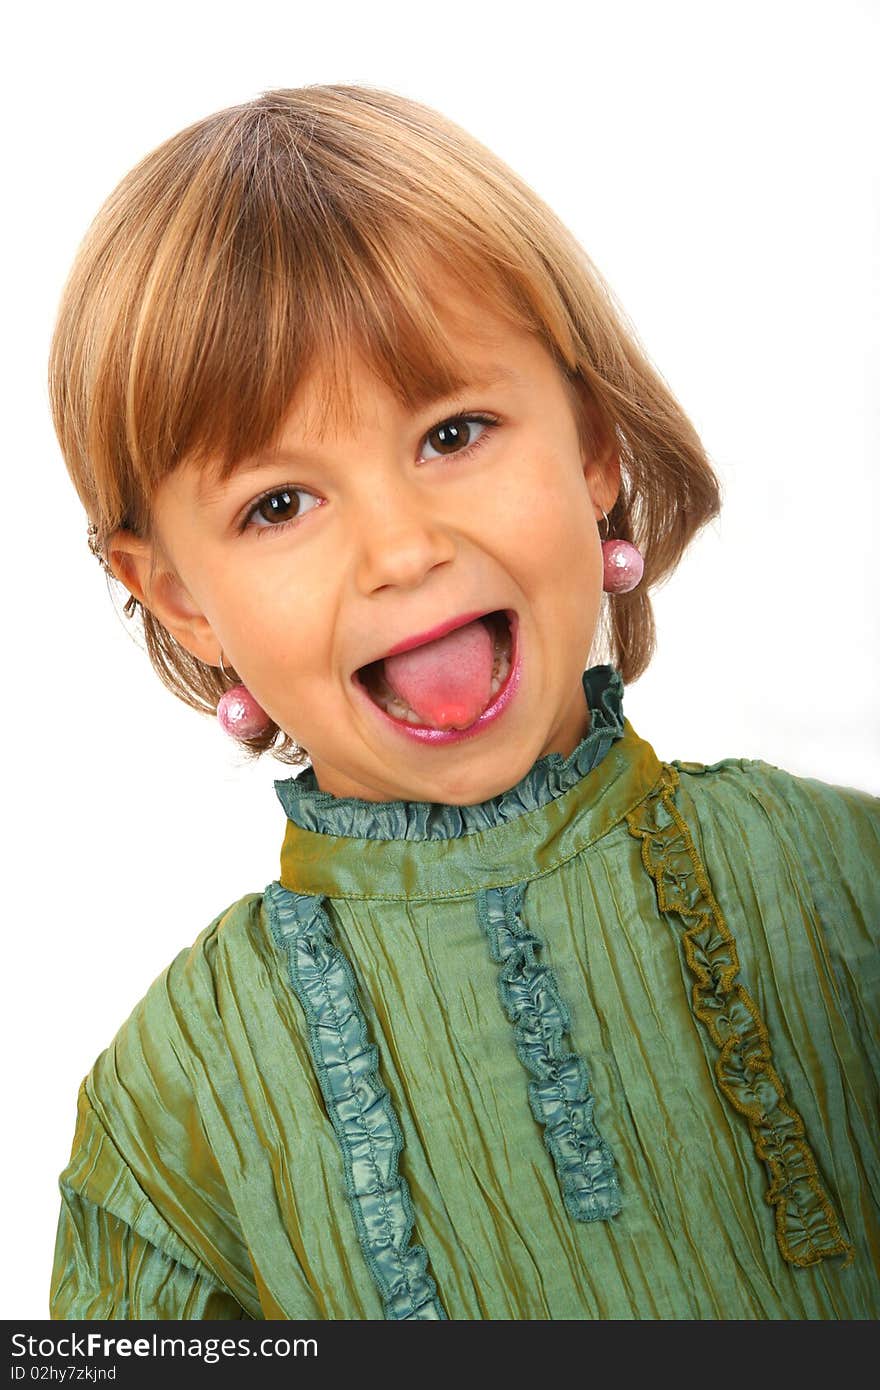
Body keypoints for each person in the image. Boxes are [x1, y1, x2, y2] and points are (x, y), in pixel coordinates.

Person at [48, 84, 879, 1322]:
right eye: (279, 503)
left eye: (454, 431)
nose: (400, 547)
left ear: (593, 446)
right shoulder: (174, 1106)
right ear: (179, 598)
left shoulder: (842, 883)